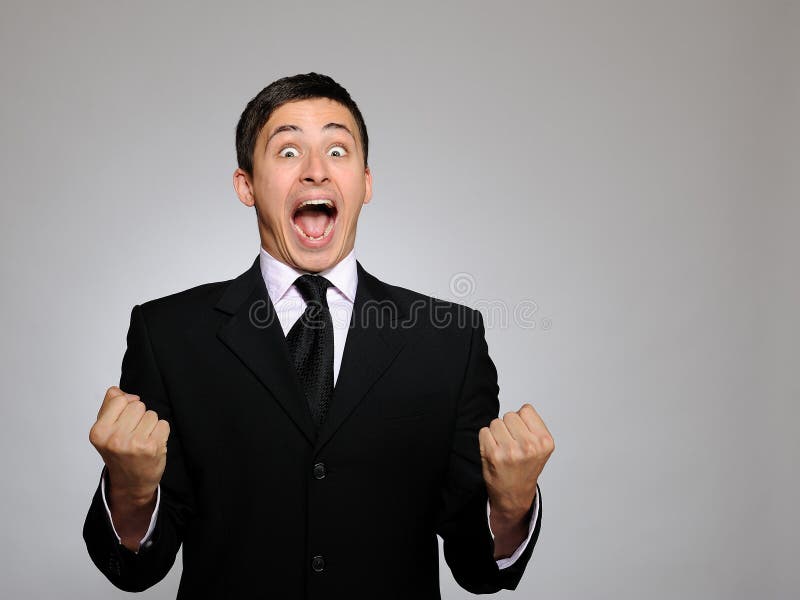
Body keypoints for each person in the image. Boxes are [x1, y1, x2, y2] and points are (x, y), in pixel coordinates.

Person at [83, 73, 554, 599]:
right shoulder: (167, 334)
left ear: (366, 183)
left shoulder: (451, 340)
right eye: (287, 152)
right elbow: (135, 570)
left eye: (337, 149)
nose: (315, 172)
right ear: (246, 185)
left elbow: (478, 569)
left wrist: (511, 505)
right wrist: (129, 490)